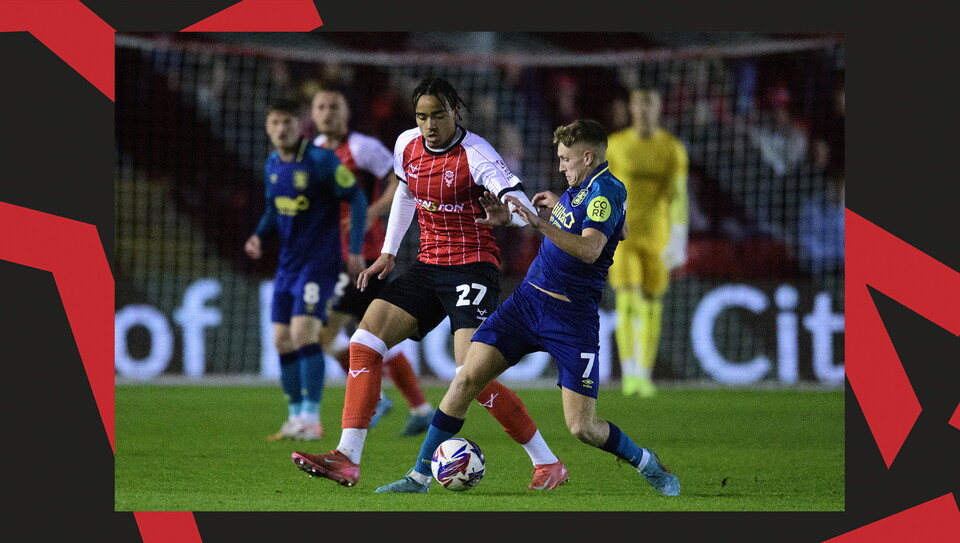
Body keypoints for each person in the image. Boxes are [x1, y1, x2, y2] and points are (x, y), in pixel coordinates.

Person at [375, 119, 680, 495]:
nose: (561, 166)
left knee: (582, 427)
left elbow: (589, 249)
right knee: (467, 377)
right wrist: (545, 215)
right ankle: (419, 477)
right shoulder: (582, 187)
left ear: (588, 157)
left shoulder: (604, 191)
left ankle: (648, 463)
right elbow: (622, 229)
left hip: (571, 317)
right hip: (526, 302)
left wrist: (539, 223)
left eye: (566, 159)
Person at [290, 77, 568, 490]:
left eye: (438, 115)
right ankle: (347, 458)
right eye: (422, 116)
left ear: (455, 112)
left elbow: (521, 204)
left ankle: (547, 463)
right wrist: (387, 251)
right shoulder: (407, 145)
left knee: (469, 374)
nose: (430, 124)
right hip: (427, 264)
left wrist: (505, 217)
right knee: (364, 342)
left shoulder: (477, 155)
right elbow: (404, 194)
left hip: (472, 268)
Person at [310, 87, 434, 436]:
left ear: (346, 112)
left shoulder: (362, 148)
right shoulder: (316, 151)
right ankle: (419, 407)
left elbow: (401, 180)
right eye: (320, 107)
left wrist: (374, 212)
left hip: (365, 255)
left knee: (328, 331)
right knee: (369, 334)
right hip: (331, 255)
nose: (326, 113)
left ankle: (381, 398)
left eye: (334, 106)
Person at [245, 98, 368, 441]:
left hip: (319, 264)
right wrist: (259, 235)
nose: (281, 129)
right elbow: (273, 208)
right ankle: (296, 416)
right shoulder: (272, 163)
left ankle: (312, 419)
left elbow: (357, 199)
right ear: (268, 128)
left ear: (300, 126)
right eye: (275, 123)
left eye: (287, 122)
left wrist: (355, 250)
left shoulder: (321, 160)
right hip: (287, 265)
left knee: (303, 335)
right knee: (281, 341)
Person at [605, 88, 689, 397]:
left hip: (657, 236)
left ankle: (645, 372)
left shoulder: (672, 149)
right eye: (638, 105)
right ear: (631, 109)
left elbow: (679, 196)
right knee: (627, 300)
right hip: (622, 235)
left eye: (649, 105)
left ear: (659, 108)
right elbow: (602, 189)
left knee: (652, 303)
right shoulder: (615, 146)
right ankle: (630, 374)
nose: (643, 111)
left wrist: (679, 237)